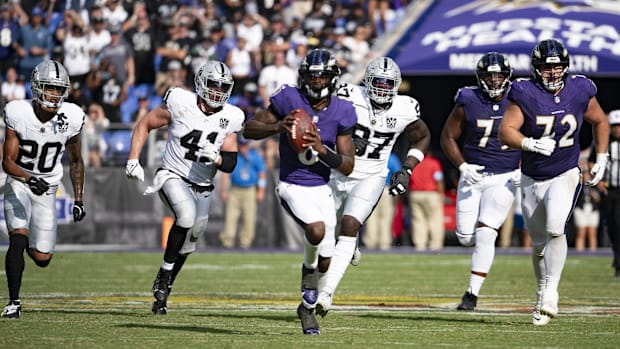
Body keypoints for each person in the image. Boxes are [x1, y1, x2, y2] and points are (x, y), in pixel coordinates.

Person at [243, 48, 357, 335]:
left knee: (328, 260)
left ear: (332, 78)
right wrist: (279, 126)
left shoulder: (343, 110)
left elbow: (347, 166)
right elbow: (249, 128)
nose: (317, 82)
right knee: (316, 231)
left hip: (323, 188)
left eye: (322, 77)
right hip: (292, 183)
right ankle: (307, 271)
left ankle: (306, 309)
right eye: (312, 76)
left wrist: (322, 150)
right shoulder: (289, 99)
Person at [499, 39, 609, 326]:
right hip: (532, 177)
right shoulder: (524, 92)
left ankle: (551, 291)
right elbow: (505, 131)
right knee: (538, 244)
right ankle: (540, 293)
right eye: (547, 68)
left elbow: (599, 120)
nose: (553, 73)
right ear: (536, 69)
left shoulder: (580, 88)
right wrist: (530, 143)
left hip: (566, 171)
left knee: (555, 228)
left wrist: (602, 157)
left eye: (558, 67)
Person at [125, 60, 243, 315]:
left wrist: (218, 158)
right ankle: (164, 275)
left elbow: (231, 162)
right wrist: (134, 158)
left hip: (203, 185)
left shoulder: (231, 116)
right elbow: (145, 123)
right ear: (200, 82)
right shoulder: (181, 102)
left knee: (189, 244)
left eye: (222, 87)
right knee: (186, 217)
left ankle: (164, 290)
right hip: (172, 174)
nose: (217, 91)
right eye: (212, 84)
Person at [316, 56, 431, 317]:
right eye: (378, 82)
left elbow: (422, 135)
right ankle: (347, 247)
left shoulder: (405, 108)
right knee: (322, 231)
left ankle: (327, 292)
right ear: (367, 81)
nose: (382, 88)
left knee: (349, 224)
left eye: (388, 83)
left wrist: (407, 168)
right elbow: (323, 122)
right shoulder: (348, 95)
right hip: (337, 172)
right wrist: (342, 140)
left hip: (372, 176)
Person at [1, 60, 86, 319]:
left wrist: (79, 199)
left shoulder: (71, 117)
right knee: (17, 238)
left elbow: (76, 161)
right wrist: (27, 178)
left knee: (42, 257)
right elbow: (7, 162)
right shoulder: (18, 112)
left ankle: (30, 243)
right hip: (19, 181)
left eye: (59, 90)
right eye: (49, 88)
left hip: (47, 187)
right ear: (37, 87)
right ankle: (14, 302)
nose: (54, 94)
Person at [440, 52, 520, 311]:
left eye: (499, 75)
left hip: (504, 177)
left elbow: (537, 132)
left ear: (508, 77)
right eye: (489, 75)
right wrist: (462, 165)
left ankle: (471, 294)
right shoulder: (468, 99)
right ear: (480, 77)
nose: (495, 80)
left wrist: (525, 167)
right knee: (465, 237)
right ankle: (472, 285)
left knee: (486, 234)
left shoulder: (520, 99)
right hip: (473, 176)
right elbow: (447, 137)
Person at [218, 136, 267, 249]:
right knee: (230, 217)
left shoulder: (255, 156)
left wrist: (261, 190)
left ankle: (245, 243)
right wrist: (223, 190)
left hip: (250, 190)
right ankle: (227, 242)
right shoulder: (235, 156)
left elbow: (262, 174)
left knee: (249, 218)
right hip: (235, 190)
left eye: (245, 144)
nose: (243, 147)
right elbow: (226, 173)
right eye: (241, 144)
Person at [592, 109, 620, 276]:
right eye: (614, 126)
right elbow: (590, 163)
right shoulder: (604, 143)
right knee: (612, 227)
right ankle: (618, 263)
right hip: (610, 191)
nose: (617, 130)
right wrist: (599, 181)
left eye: (619, 126)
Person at [363, 152, 402, 250]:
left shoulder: (372, 155)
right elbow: (398, 177)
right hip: (386, 189)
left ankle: (370, 243)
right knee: (386, 218)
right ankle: (384, 243)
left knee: (371, 218)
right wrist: (396, 197)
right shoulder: (392, 158)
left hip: (371, 189)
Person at [408, 151, 445, 250]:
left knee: (418, 221)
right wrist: (441, 194)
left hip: (415, 193)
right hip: (431, 194)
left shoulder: (414, 164)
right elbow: (438, 179)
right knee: (435, 220)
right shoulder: (434, 163)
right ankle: (435, 245)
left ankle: (420, 245)